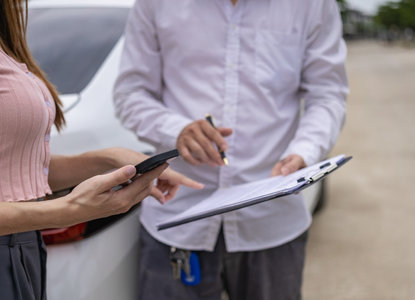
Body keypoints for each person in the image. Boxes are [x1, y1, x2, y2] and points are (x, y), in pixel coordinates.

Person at [114, 0, 348, 299]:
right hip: (178, 218)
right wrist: (177, 130)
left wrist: (305, 150)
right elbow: (130, 92)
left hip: (272, 220)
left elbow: (328, 94)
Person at [0, 1, 203, 299]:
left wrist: (105, 159)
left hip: (25, 248)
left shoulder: (9, 43)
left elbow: (17, 170)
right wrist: (67, 210)